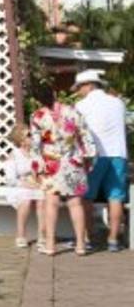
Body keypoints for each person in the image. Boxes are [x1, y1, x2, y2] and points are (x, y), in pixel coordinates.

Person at [29, 84, 97, 256]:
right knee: (75, 204)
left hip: (51, 163)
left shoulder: (37, 117)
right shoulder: (72, 112)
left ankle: (50, 245)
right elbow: (85, 136)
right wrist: (88, 158)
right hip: (73, 162)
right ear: (54, 93)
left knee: (51, 204)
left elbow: (36, 146)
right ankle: (81, 245)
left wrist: (37, 168)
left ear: (38, 99)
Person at [73, 69, 129, 252]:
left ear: (88, 85)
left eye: (79, 87)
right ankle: (113, 240)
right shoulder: (118, 103)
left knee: (86, 197)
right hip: (118, 154)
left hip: (94, 155)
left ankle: (88, 237)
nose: (78, 91)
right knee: (115, 197)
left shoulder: (81, 105)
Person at [3, 124, 44, 249]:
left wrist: (38, 179)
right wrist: (27, 184)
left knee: (42, 200)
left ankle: (42, 235)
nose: (32, 137)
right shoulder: (14, 155)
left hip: (35, 185)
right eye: (28, 135)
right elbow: (11, 179)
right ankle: (21, 235)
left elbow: (42, 170)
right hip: (19, 187)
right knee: (25, 200)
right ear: (21, 140)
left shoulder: (36, 153)